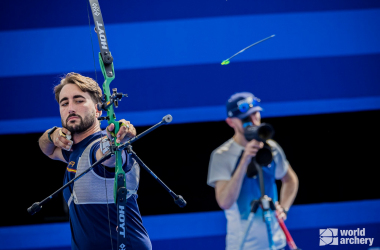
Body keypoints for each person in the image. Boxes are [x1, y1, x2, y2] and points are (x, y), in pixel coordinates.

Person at [38, 73, 152, 250]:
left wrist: (115, 140)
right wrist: (51, 134)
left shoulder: (96, 147)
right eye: (64, 103)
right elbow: (48, 150)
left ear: (98, 109)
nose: (71, 108)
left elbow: (107, 157)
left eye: (79, 100)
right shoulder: (73, 150)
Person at [207, 92, 299, 250]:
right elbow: (224, 202)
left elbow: (291, 180)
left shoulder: (272, 147)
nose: (252, 121)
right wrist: (244, 161)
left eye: (256, 114)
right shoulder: (221, 155)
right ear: (230, 122)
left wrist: (284, 209)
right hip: (242, 245)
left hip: (276, 243)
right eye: (245, 118)